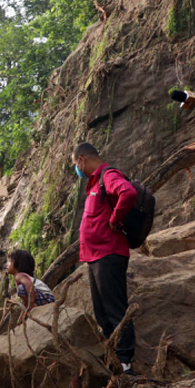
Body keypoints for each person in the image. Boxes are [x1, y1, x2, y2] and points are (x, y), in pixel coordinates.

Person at [72, 142, 137, 375]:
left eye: (75, 165)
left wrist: (114, 220)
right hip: (96, 256)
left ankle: (125, 362)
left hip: (109, 253)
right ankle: (115, 359)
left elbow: (128, 192)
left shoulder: (108, 175)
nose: (77, 170)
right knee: (102, 312)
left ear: (82, 160)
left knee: (115, 309)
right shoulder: (93, 183)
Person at [6, 249, 55, 323]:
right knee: (23, 293)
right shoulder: (23, 277)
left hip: (46, 299)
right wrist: (20, 319)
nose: (7, 264)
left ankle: (35, 308)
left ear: (18, 264)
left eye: (10, 261)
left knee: (21, 289)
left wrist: (32, 303)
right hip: (49, 299)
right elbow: (26, 303)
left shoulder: (19, 276)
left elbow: (29, 284)